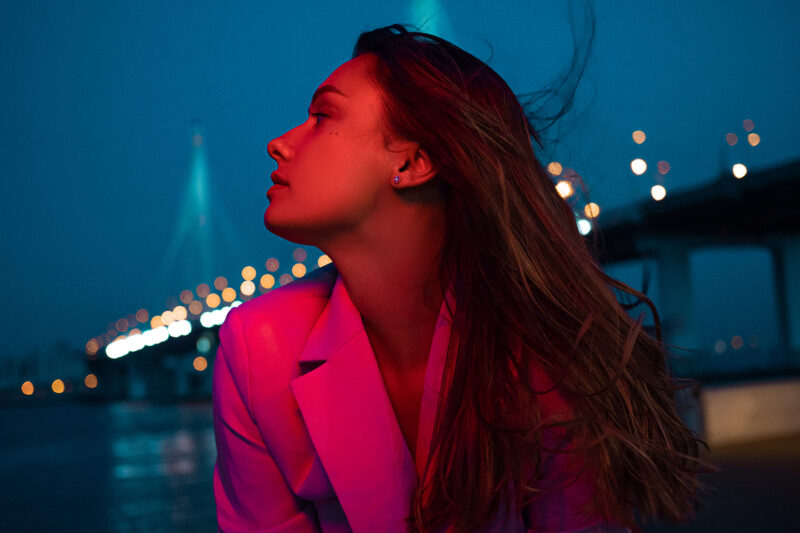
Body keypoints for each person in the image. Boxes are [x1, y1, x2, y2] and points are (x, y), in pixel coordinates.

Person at [212, 24, 711, 533]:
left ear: (412, 160)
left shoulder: (539, 347)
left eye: (322, 116)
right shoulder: (258, 347)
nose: (279, 143)